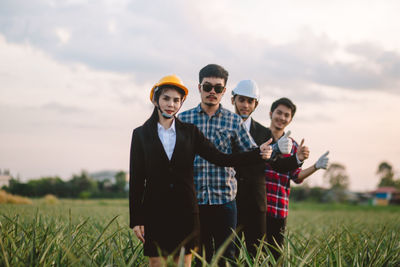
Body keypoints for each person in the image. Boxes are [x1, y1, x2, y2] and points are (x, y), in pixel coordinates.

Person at [129, 74, 274, 267]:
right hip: (155, 208)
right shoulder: (140, 134)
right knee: (156, 262)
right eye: (166, 98)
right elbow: (137, 178)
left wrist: (257, 154)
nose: (170, 104)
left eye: (176, 100)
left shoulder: (190, 131)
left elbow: (221, 158)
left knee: (185, 262)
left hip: (187, 208)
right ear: (155, 99)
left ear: (181, 102)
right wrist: (136, 219)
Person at [178, 65, 296, 264]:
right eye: (207, 87)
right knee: (198, 258)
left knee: (227, 258)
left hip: (225, 201)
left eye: (218, 88)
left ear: (224, 91)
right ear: (199, 88)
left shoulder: (233, 121)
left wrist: (272, 151)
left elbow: (252, 153)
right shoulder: (184, 119)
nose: (212, 92)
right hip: (195, 201)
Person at [231, 80, 303, 257]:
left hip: (256, 203)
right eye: (242, 100)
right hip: (229, 200)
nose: (245, 105)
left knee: (256, 254)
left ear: (256, 104)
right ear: (233, 100)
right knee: (229, 254)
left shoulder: (264, 133)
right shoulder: (224, 126)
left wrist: (297, 158)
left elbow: (277, 164)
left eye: (250, 101)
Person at [264, 97, 329, 260]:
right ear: (271, 113)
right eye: (279, 113)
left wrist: (315, 166)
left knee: (274, 257)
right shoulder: (260, 138)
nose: (282, 117)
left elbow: (296, 177)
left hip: (278, 209)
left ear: (290, 120)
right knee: (251, 253)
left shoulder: (293, 146)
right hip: (256, 207)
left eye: (287, 115)